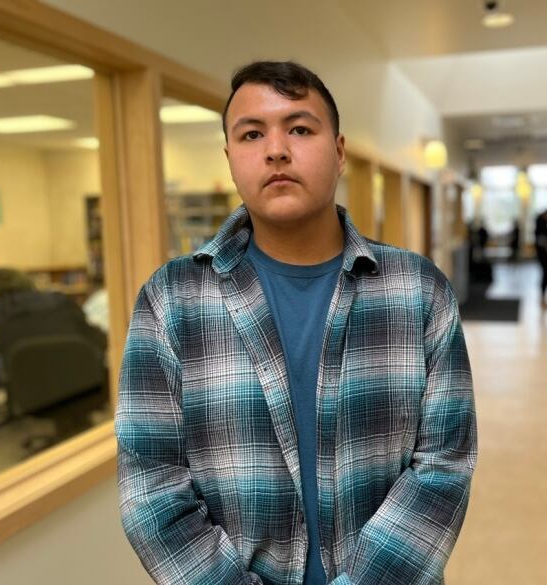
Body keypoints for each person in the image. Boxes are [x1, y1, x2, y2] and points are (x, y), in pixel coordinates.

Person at [117, 61, 477, 585]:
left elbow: (444, 465)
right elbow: (151, 484)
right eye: (251, 134)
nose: (276, 149)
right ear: (230, 158)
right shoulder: (173, 300)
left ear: (338, 150)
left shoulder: (418, 290)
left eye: (300, 128)